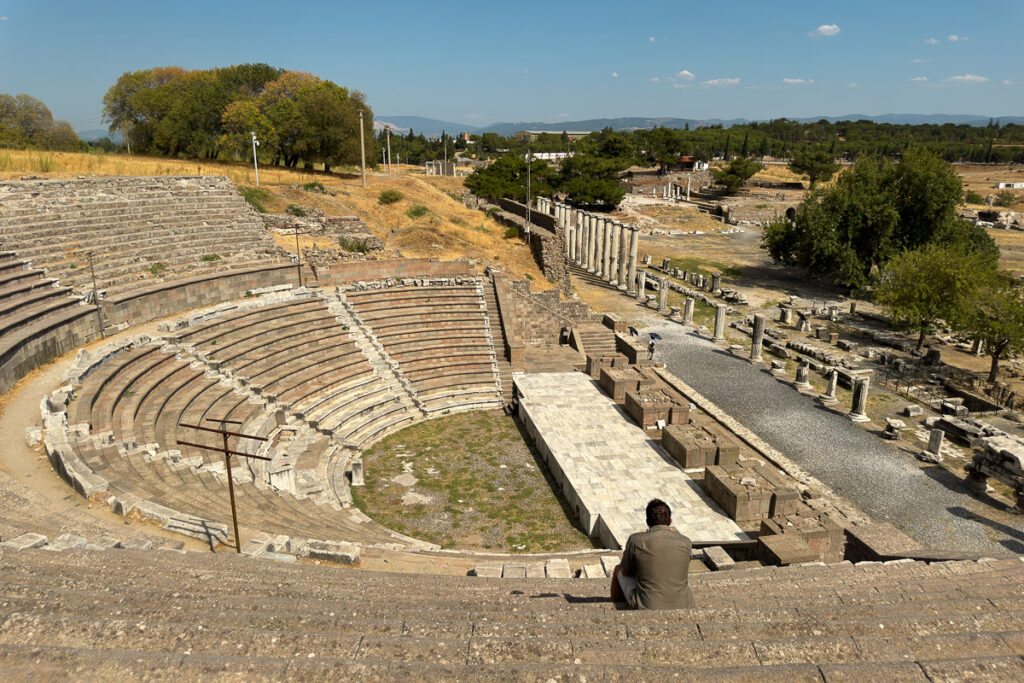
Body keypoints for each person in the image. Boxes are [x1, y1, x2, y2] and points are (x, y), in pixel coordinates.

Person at [610, 499, 693, 610]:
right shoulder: (686, 541)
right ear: (670, 521)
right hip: (686, 604)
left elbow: (626, 571)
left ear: (647, 522)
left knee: (617, 570)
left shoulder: (636, 540)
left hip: (648, 605)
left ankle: (619, 609)